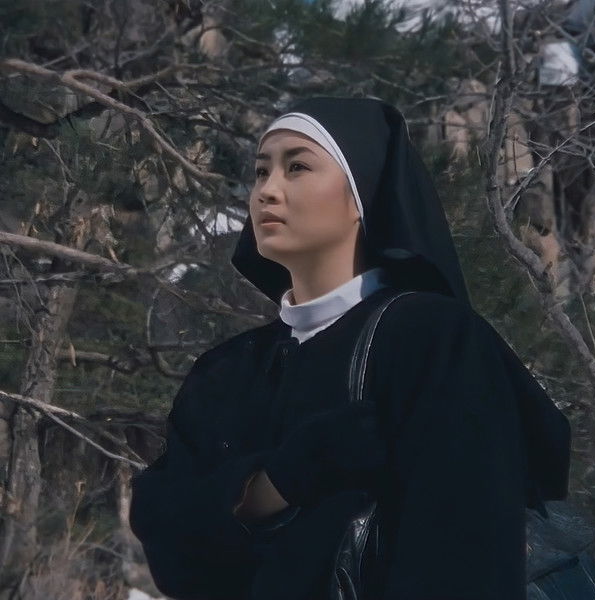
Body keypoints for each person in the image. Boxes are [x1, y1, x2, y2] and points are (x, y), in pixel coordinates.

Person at [128, 96, 572, 600]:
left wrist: (234, 505)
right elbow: (169, 547)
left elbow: (467, 555)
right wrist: (275, 482)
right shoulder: (225, 370)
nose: (267, 191)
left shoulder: (431, 339)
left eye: (297, 167)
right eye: (260, 171)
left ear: (362, 192)